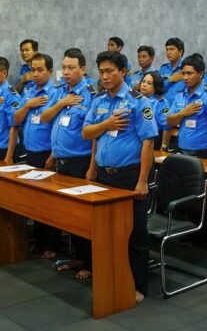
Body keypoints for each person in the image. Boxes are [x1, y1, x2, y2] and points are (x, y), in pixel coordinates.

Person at [83, 51, 157, 304]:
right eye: (101, 71)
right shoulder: (99, 100)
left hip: (129, 175)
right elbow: (88, 133)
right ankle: (111, 277)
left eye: (110, 71)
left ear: (123, 72)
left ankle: (138, 286)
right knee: (107, 231)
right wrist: (106, 125)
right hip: (104, 174)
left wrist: (142, 180)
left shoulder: (138, 102)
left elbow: (148, 142)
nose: (104, 76)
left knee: (135, 234)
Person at [41, 48, 97, 280]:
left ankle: (91, 263)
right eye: (63, 67)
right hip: (61, 161)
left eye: (71, 68)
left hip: (80, 162)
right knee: (70, 215)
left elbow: (94, 135)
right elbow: (45, 117)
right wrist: (62, 102)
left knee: (83, 216)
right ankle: (78, 257)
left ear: (82, 69)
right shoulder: (60, 92)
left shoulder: (91, 94)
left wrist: (92, 167)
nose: (65, 72)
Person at [13, 53, 60, 258]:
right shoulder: (29, 91)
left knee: (49, 202)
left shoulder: (55, 94)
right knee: (35, 200)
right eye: (33, 70)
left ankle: (52, 244)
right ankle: (39, 242)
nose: (36, 74)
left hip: (47, 154)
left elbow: (57, 127)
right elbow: (16, 119)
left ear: (50, 71)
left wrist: (54, 155)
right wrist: (27, 105)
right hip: (30, 153)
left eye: (40, 70)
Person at [165, 55, 207, 159]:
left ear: (200, 74)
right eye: (183, 73)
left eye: (189, 73)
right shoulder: (180, 96)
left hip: (202, 152)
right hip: (181, 149)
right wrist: (183, 113)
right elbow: (169, 122)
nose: (185, 77)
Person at [139, 71, 169, 149]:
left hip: (153, 138)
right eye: (143, 81)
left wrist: (164, 147)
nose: (144, 84)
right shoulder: (136, 98)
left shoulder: (161, 102)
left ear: (156, 87)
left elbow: (166, 126)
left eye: (149, 83)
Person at [160, 37, 185, 104]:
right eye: (167, 49)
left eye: (171, 49)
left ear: (180, 51)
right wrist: (169, 80)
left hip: (179, 107)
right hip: (163, 106)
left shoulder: (186, 69)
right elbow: (157, 89)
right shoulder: (163, 68)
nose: (168, 52)